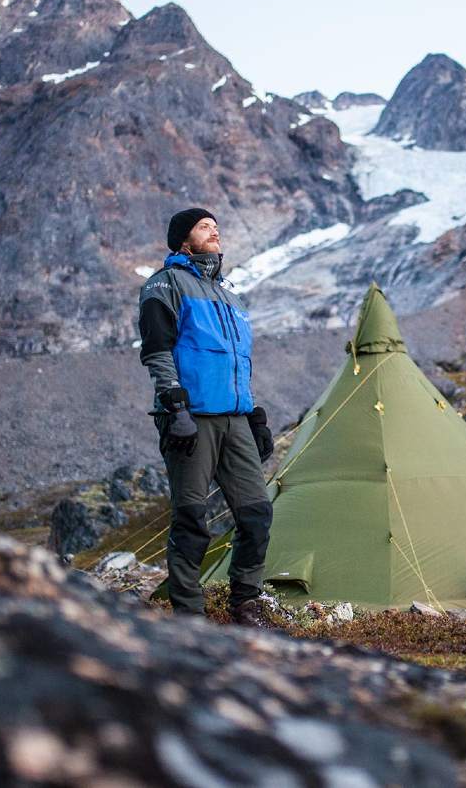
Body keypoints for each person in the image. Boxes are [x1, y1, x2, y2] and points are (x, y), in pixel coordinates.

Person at [138, 208, 275, 625]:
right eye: (204, 227)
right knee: (192, 519)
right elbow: (158, 350)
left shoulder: (230, 296)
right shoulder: (165, 285)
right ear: (183, 241)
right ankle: (189, 615)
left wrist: (253, 417)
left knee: (256, 512)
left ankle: (246, 603)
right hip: (191, 419)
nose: (214, 231)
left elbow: (238, 363)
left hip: (234, 421)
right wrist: (174, 405)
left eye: (216, 227)